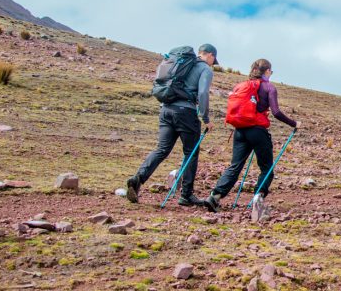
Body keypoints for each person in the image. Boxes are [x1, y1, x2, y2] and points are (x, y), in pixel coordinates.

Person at [202, 59, 299, 212]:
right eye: (271, 72)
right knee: (266, 167)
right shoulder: (269, 87)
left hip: (240, 130)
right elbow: (276, 112)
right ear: (267, 71)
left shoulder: (242, 86)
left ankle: (215, 196)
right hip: (258, 131)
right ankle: (257, 199)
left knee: (235, 166)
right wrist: (294, 123)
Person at [126, 44, 217, 206]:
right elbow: (202, 93)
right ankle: (186, 195)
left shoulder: (181, 63)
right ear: (210, 55)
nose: (213, 63)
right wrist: (206, 119)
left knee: (162, 149)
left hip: (166, 110)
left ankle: (138, 179)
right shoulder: (205, 69)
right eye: (213, 60)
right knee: (191, 153)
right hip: (186, 113)